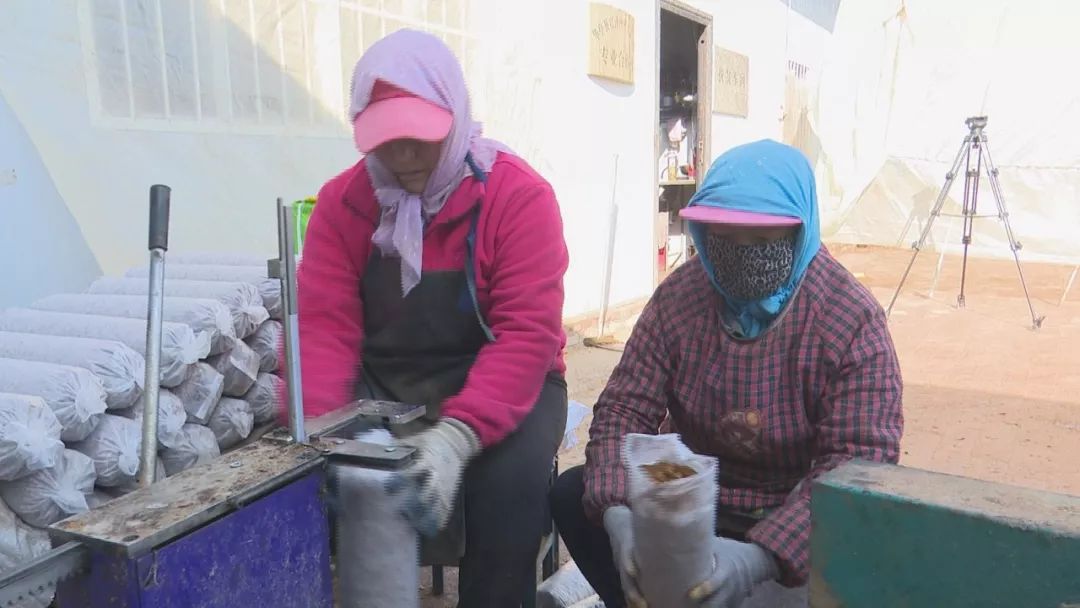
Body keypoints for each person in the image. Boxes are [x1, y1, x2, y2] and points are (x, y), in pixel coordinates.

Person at [550, 140, 903, 608]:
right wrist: (618, 519)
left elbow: (860, 460)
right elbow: (624, 408)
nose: (741, 257)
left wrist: (759, 558)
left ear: (801, 232)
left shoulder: (848, 318)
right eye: (725, 240)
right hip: (691, 499)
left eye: (761, 243)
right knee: (577, 494)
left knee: (853, 551)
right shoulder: (683, 296)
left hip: (793, 512)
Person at [294, 29, 569, 605]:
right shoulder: (343, 206)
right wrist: (325, 433)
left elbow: (526, 336)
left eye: (419, 137)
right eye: (386, 141)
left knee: (507, 492)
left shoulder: (517, 198)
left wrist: (456, 438)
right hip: (387, 382)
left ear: (454, 114)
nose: (404, 157)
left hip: (505, 381)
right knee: (340, 491)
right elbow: (324, 330)